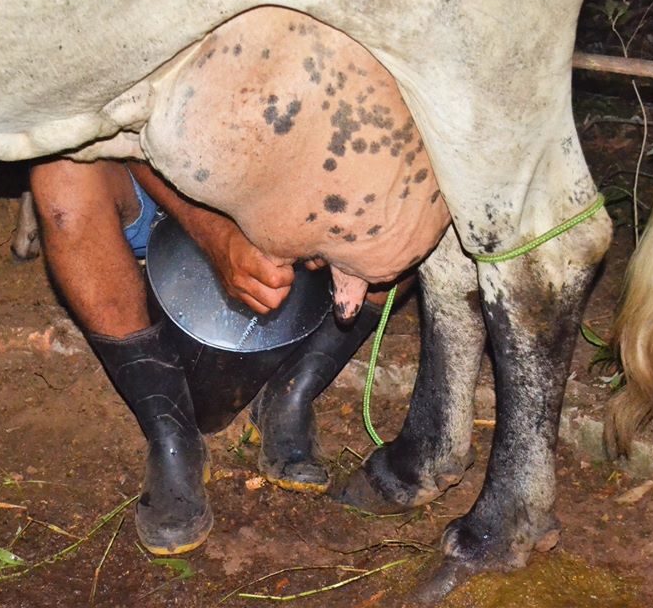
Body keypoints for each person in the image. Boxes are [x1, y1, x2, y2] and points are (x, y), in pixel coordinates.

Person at [29, 157, 396, 555]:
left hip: (298, 193)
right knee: (60, 178)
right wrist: (213, 233)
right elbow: (128, 130)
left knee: (412, 202)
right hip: (165, 186)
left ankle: (290, 390)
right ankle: (170, 430)